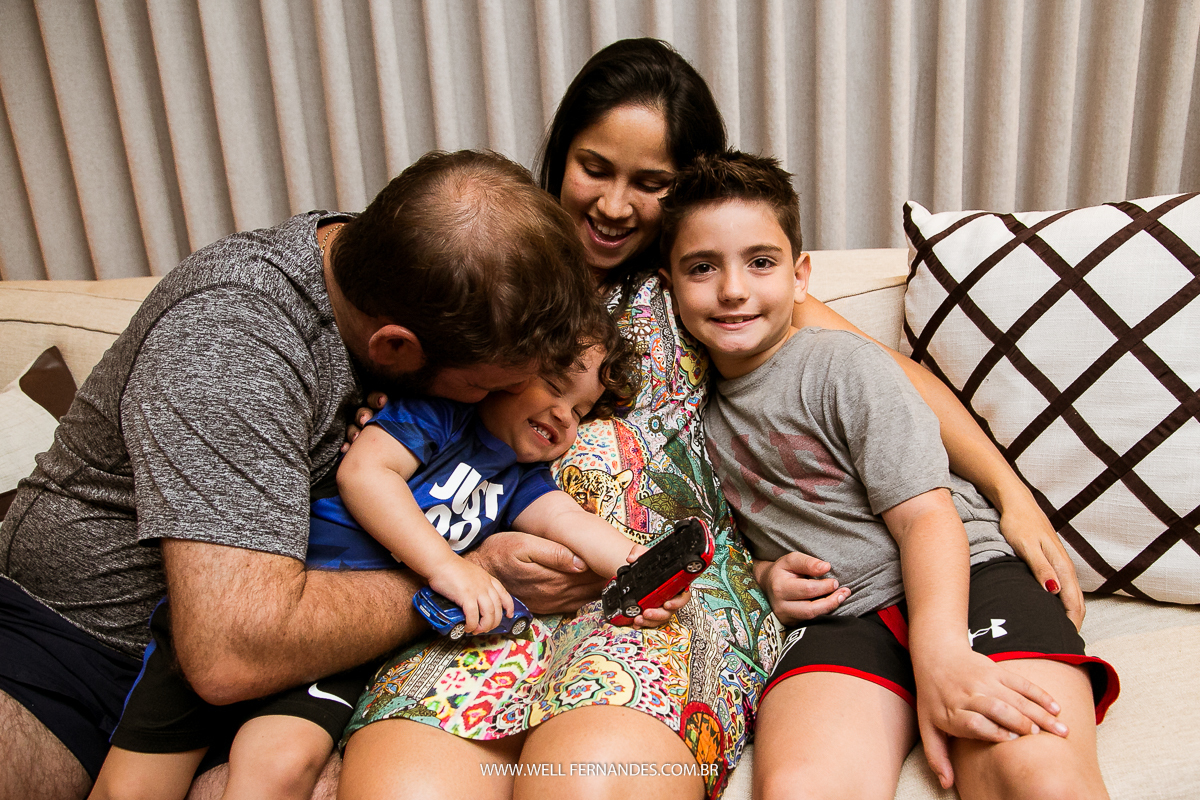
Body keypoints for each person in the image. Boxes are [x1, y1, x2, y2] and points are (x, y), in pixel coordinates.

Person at [338, 39, 1084, 800]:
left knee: (585, 786)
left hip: (658, 600)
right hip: (494, 592)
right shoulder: (484, 281)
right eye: (595, 168)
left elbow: (893, 383)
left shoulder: (699, 287)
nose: (615, 204)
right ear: (561, 155)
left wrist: (1009, 489)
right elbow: (400, 426)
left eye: (651, 182)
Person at [0, 149, 601, 800]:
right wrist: (471, 577)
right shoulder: (231, 342)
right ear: (394, 348)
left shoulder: (410, 281)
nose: (493, 404)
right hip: (69, 644)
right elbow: (230, 652)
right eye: (485, 387)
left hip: (295, 664)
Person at [658, 150, 1118, 799]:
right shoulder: (685, 415)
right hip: (841, 616)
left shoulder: (842, 365)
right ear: (669, 285)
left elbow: (928, 517)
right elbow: (726, 546)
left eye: (760, 262)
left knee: (1034, 774)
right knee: (797, 788)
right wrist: (765, 578)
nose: (732, 288)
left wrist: (942, 656)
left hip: (967, 575)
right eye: (702, 268)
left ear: (799, 276)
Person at [91, 328, 650, 800]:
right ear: (504, 370)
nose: (564, 415)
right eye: (554, 387)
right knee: (130, 789)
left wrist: (651, 570)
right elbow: (363, 475)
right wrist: (447, 567)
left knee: (279, 767)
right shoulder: (441, 416)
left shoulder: (522, 482)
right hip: (273, 599)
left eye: (579, 410)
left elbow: (580, 530)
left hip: (341, 646)